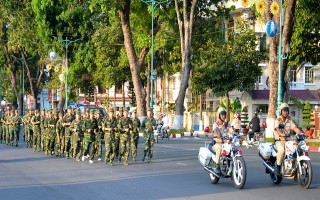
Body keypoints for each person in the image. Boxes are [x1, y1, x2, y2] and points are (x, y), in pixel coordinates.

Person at [273, 103, 303, 175]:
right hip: (279, 141)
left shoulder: (289, 121)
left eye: (287, 111)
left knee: (298, 149)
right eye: (284, 110)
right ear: (281, 111)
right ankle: (278, 167)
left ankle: (296, 167)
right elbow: (277, 128)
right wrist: (281, 133)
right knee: (282, 150)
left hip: (288, 140)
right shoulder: (278, 120)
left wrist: (300, 133)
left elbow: (294, 128)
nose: (285, 112)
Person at [209, 108, 234, 175]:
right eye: (222, 115)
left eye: (224, 115)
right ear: (219, 115)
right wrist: (218, 135)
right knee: (219, 148)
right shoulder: (216, 123)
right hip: (217, 143)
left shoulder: (227, 123)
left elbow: (231, 130)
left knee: (232, 147)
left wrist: (236, 134)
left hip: (225, 143)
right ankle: (217, 166)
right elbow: (215, 130)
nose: (223, 116)